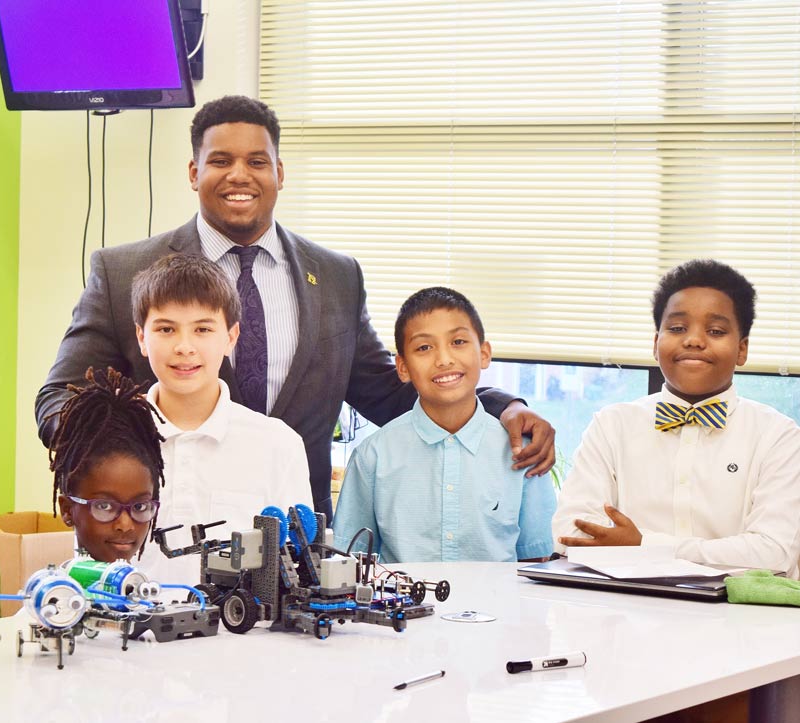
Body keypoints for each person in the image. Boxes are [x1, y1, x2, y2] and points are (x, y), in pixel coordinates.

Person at [36, 94, 556, 522]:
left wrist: (502, 406)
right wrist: (130, 455)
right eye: (220, 161)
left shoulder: (335, 276)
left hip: (293, 541)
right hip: (162, 526)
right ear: (194, 172)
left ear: (280, 173)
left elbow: (392, 394)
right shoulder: (124, 271)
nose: (239, 174)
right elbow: (59, 400)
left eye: (256, 162)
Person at [553, 259, 800, 578]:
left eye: (715, 331)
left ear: (742, 349)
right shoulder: (612, 426)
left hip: (738, 618)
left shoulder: (777, 435)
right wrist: (714, 553)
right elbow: (570, 534)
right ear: (655, 343)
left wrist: (644, 545)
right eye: (677, 328)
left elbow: (773, 552)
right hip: (626, 613)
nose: (694, 340)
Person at [332, 287, 556, 563]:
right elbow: (352, 563)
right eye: (424, 347)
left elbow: (536, 561)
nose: (444, 359)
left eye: (458, 341)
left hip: (500, 605)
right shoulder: (372, 456)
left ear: (484, 353)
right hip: (402, 605)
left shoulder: (524, 453)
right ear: (402, 367)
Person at [129, 254, 312, 582]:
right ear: (142, 337)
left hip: (243, 628)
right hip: (132, 628)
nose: (185, 347)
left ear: (231, 337)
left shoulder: (278, 444)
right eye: (167, 329)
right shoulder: (111, 438)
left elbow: (297, 563)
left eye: (202, 329)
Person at [51, 367, 165, 563]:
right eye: (104, 506)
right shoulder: (56, 591)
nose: (125, 524)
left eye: (139, 506)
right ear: (68, 510)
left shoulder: (149, 591)